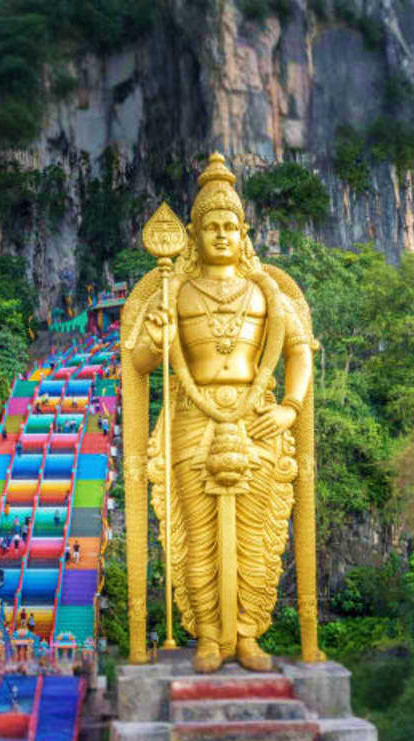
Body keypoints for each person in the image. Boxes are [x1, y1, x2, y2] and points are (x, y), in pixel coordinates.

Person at [121, 153, 317, 674]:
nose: (223, 235)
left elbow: (300, 353)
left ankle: (248, 631)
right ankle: (208, 634)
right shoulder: (175, 291)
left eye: (231, 225)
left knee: (255, 534)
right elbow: (139, 363)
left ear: (245, 230)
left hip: (257, 417)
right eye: (211, 226)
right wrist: (159, 338)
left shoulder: (267, 292)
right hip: (193, 416)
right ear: (193, 232)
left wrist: (290, 409)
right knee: (198, 532)